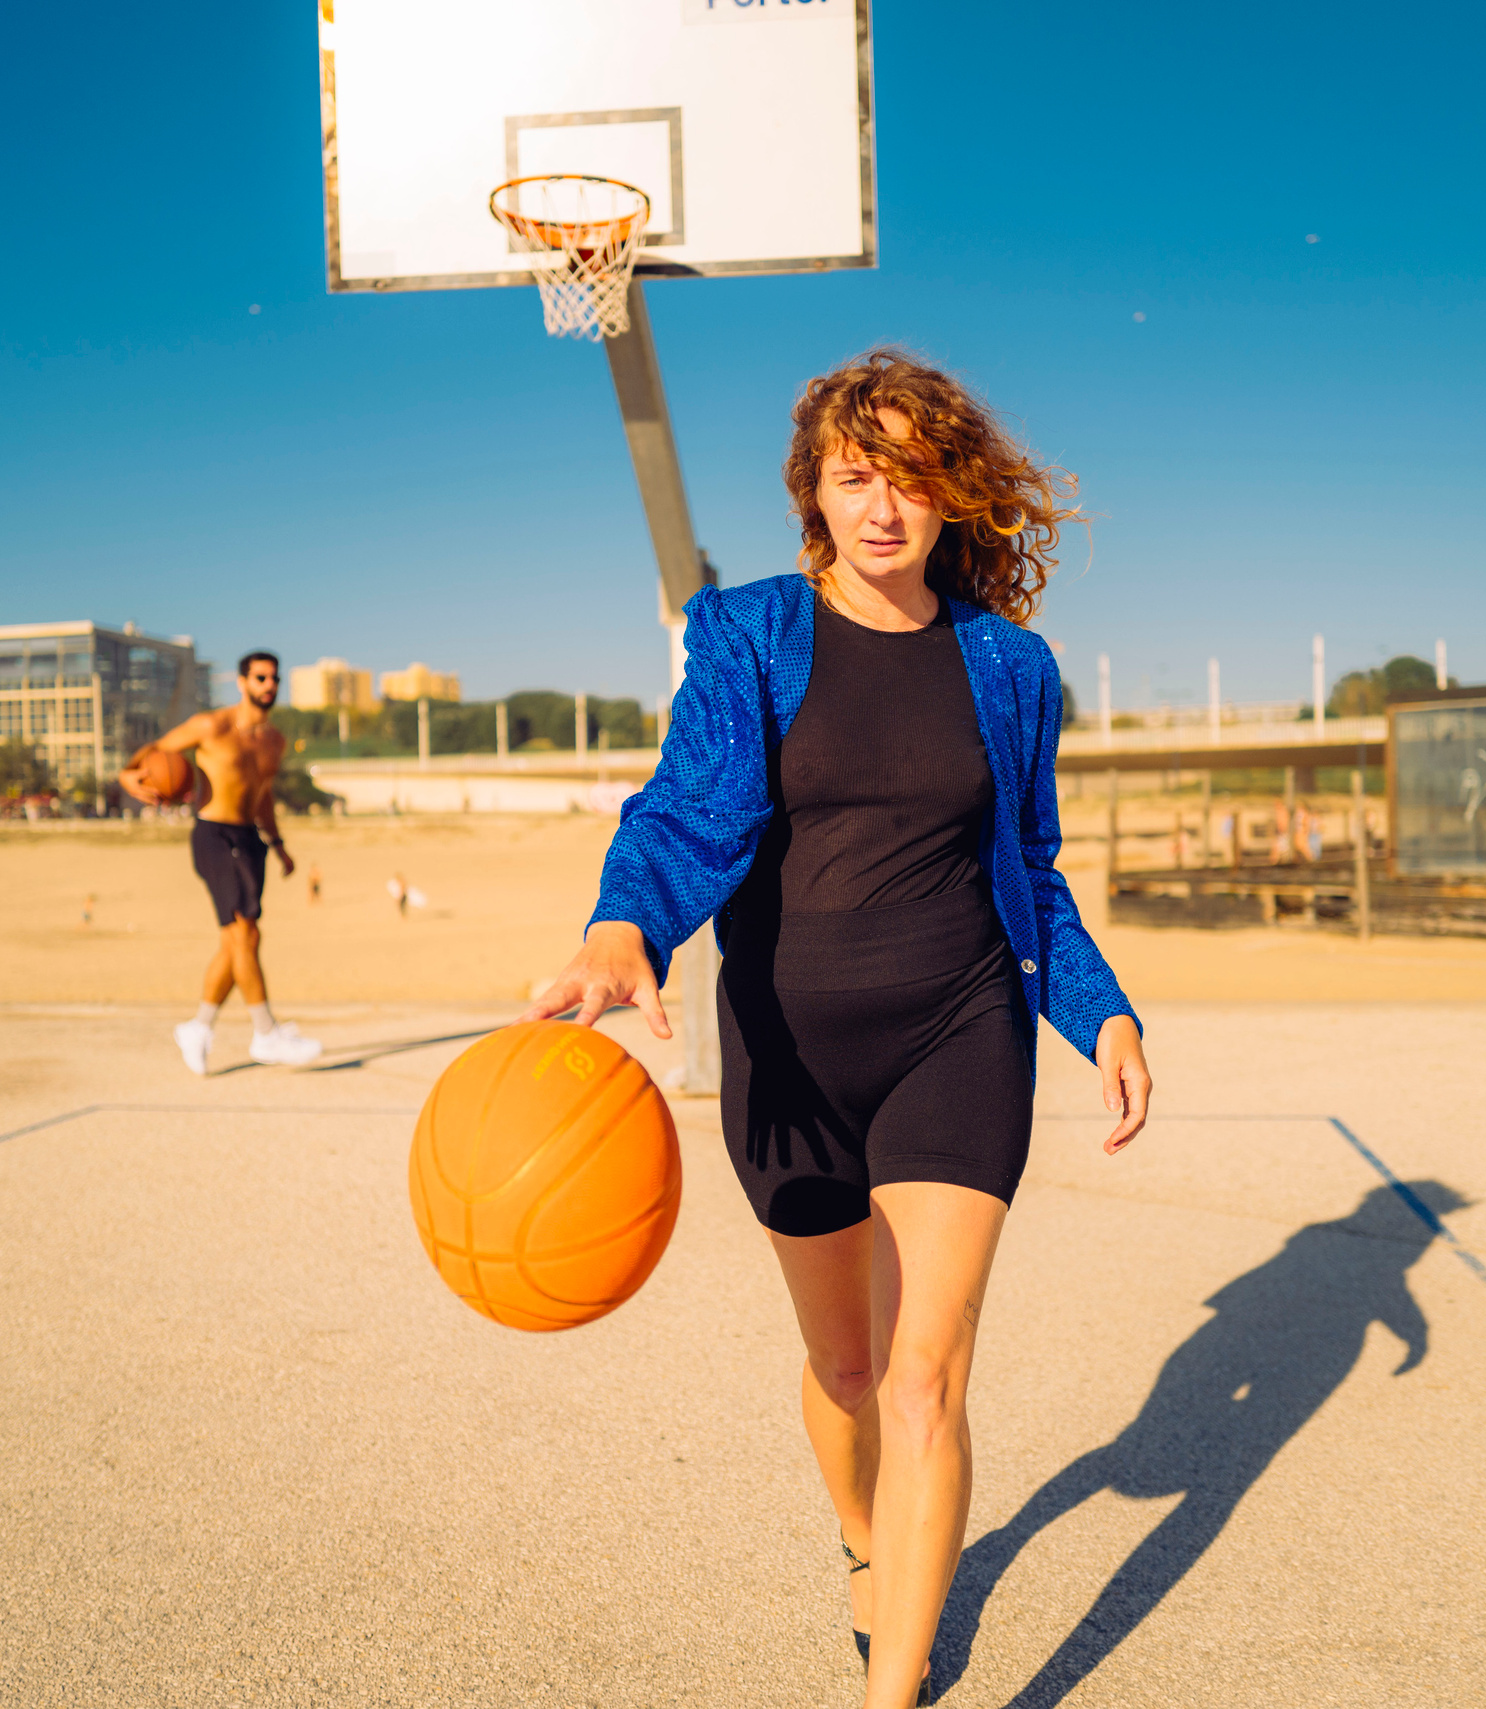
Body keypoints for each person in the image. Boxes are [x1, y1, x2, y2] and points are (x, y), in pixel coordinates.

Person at [521, 350, 1150, 1707]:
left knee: (925, 1377)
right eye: (856, 474)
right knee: (849, 1364)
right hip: (789, 1054)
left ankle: (895, 1687)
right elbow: (688, 807)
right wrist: (625, 925)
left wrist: (1095, 1014)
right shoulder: (748, 632)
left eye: (913, 477)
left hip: (958, 1028)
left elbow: (1030, 867)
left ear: (950, 496)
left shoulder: (1010, 666)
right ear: (812, 487)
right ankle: (865, 1537)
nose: (884, 506)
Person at [129, 650, 323, 1074]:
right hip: (213, 835)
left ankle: (198, 1028)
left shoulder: (274, 740)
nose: (268, 685)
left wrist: (278, 842)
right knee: (244, 932)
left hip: (250, 838)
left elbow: (263, 795)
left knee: (240, 942)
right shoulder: (211, 725)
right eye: (259, 678)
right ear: (241, 682)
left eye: (274, 678)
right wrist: (129, 774)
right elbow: (154, 750)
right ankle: (266, 1033)